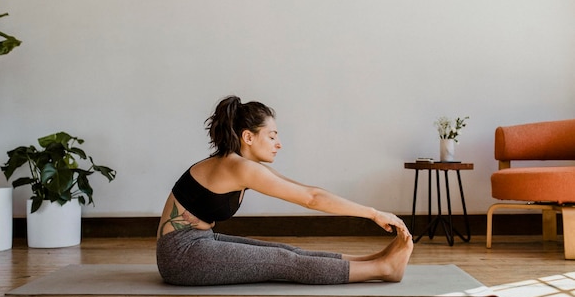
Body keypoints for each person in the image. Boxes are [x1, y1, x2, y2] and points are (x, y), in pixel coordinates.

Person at [156, 95, 413, 286]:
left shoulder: (240, 165)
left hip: (198, 243)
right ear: (248, 137)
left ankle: (372, 259)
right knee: (283, 260)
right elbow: (311, 200)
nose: (278, 144)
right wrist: (373, 213)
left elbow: (308, 191)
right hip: (181, 257)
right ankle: (382, 269)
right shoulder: (239, 167)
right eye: (272, 136)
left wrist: (371, 212)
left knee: (289, 251)